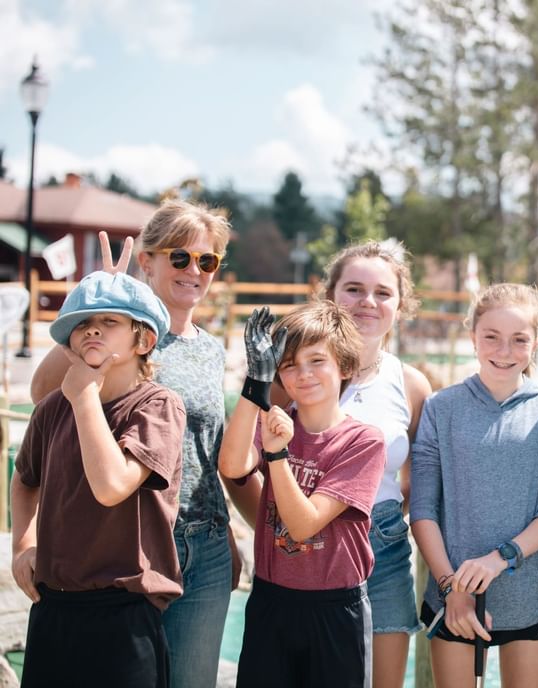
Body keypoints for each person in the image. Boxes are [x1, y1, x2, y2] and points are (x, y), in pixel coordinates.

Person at [29, 201, 261, 688]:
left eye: (208, 261)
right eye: (180, 257)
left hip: (208, 545)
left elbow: (212, 455)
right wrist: (97, 308)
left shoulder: (210, 349)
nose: (193, 270)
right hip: (137, 547)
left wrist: (236, 539)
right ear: (148, 261)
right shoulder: (123, 339)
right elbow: (44, 394)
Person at [11, 271, 185, 688]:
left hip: (124, 612)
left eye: (110, 322)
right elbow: (24, 479)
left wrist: (85, 396)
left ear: (143, 340)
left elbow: (111, 486)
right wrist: (23, 544)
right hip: (55, 605)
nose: (92, 329)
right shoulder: (53, 408)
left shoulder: (158, 406)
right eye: (82, 324)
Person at [410, 283, 538, 688]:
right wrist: (451, 585)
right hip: (454, 598)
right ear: (472, 337)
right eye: (492, 337)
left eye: (518, 340)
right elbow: (422, 509)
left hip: (532, 597)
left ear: (535, 343)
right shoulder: (440, 407)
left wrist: (500, 558)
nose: (504, 351)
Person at [219, 301, 386, 688]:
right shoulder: (272, 421)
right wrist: (256, 384)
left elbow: (303, 524)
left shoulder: (363, 441)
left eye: (317, 361)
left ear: (344, 367)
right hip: (271, 601)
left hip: (334, 610)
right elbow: (231, 466)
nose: (303, 373)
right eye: (289, 364)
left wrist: (278, 455)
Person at [323, 240, 432, 688]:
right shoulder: (297, 372)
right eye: (353, 288)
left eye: (383, 292)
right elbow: (247, 464)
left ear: (400, 304)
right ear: (329, 295)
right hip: (308, 546)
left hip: (382, 548)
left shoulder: (410, 385)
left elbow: (419, 482)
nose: (368, 302)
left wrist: (382, 520)